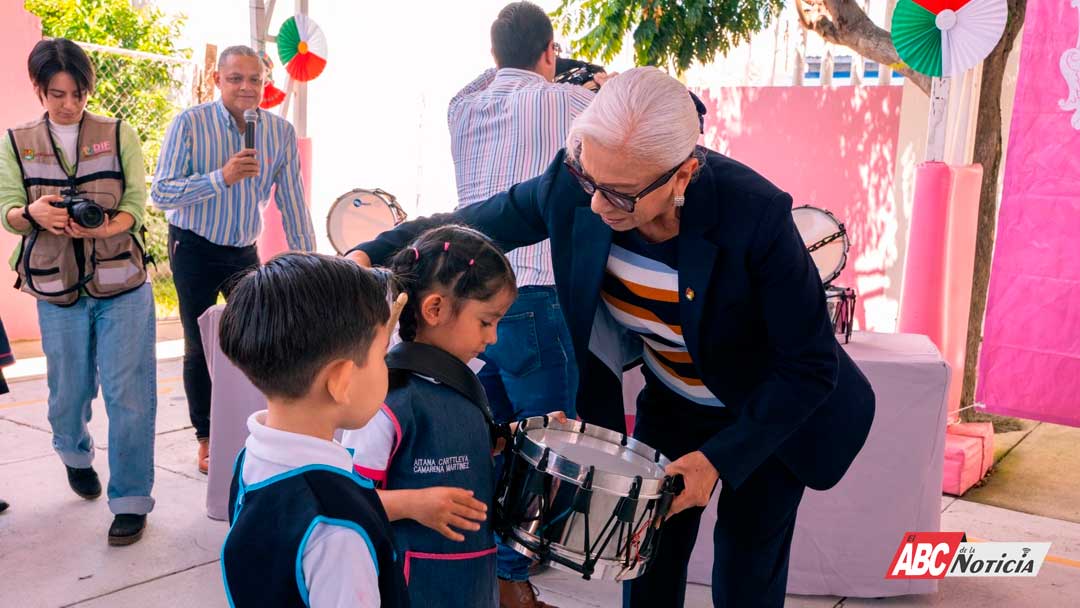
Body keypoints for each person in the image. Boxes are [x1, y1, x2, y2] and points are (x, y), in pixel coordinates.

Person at [347, 67, 876, 607]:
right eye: (588, 179)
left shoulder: (753, 214)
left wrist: (715, 461)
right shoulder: (578, 183)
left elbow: (809, 365)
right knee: (647, 554)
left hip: (764, 408)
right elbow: (474, 223)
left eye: (621, 196)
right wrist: (368, 254)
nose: (597, 206)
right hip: (676, 402)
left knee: (746, 558)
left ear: (682, 176)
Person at [447, 4, 606, 603]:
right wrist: (590, 83)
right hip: (535, 291)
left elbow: (489, 80)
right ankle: (512, 580)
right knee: (549, 448)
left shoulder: (461, 107)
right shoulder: (567, 103)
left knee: (485, 437)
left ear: (494, 56)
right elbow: (620, 129)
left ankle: (481, 555)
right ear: (550, 52)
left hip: (468, 291)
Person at [0, 39, 157, 545]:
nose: (69, 104)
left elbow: (136, 200)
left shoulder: (118, 132)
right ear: (39, 90)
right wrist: (32, 214)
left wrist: (108, 228)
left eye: (78, 93)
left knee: (129, 396)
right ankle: (73, 450)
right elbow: (5, 207)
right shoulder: (15, 141)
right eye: (57, 93)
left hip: (122, 283)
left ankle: (131, 500)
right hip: (56, 286)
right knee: (67, 394)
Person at [151, 45, 316, 474]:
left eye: (255, 79)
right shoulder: (190, 123)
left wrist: (310, 265)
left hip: (244, 248)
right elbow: (162, 193)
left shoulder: (279, 132)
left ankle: (257, 429)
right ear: (217, 81)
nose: (246, 88)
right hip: (194, 245)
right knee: (199, 343)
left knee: (260, 338)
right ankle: (206, 439)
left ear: (266, 83)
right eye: (236, 79)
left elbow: (294, 204)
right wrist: (220, 178)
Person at [343, 225, 523, 607]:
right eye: (486, 322)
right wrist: (414, 504)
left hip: (473, 578)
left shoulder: (463, 383)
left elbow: (454, 446)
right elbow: (350, 501)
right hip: (411, 586)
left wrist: (509, 437)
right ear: (435, 309)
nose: (492, 338)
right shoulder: (386, 401)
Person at [218, 253, 408, 608]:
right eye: (383, 354)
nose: (387, 367)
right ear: (341, 380)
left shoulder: (252, 459)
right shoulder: (336, 529)